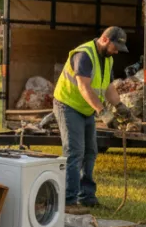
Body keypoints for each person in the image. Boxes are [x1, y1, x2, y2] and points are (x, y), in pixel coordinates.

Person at [52, 26, 135, 214]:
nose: (116, 52)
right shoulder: (84, 55)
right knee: (74, 152)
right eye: (115, 47)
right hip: (68, 105)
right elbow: (84, 87)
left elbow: (108, 87)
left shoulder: (108, 59)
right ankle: (68, 200)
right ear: (105, 40)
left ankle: (87, 197)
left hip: (86, 109)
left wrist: (120, 106)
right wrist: (103, 112)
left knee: (90, 151)